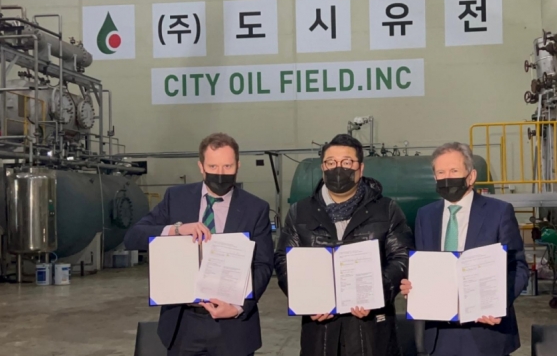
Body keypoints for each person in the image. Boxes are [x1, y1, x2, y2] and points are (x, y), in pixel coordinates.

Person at [124, 133, 273, 356]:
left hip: (232, 326)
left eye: (227, 166)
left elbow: (263, 265)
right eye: (213, 166)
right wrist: (176, 230)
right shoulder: (176, 198)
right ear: (201, 167)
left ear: (238, 166)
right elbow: (133, 237)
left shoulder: (255, 208)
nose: (220, 174)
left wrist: (238, 306)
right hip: (183, 324)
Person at [274, 133, 414, 356]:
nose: (338, 169)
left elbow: (401, 256)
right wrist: (307, 300)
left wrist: (376, 294)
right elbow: (283, 260)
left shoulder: (386, 209)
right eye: (331, 162)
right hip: (320, 328)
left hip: (371, 328)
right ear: (323, 167)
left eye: (347, 162)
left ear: (360, 168)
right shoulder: (300, 212)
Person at [400, 142, 529, 356]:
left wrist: (497, 303)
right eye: (441, 172)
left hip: (486, 330)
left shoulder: (499, 212)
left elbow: (518, 267)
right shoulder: (425, 215)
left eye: (454, 171)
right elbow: (424, 265)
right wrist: (412, 286)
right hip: (439, 332)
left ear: (471, 176)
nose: (447, 177)